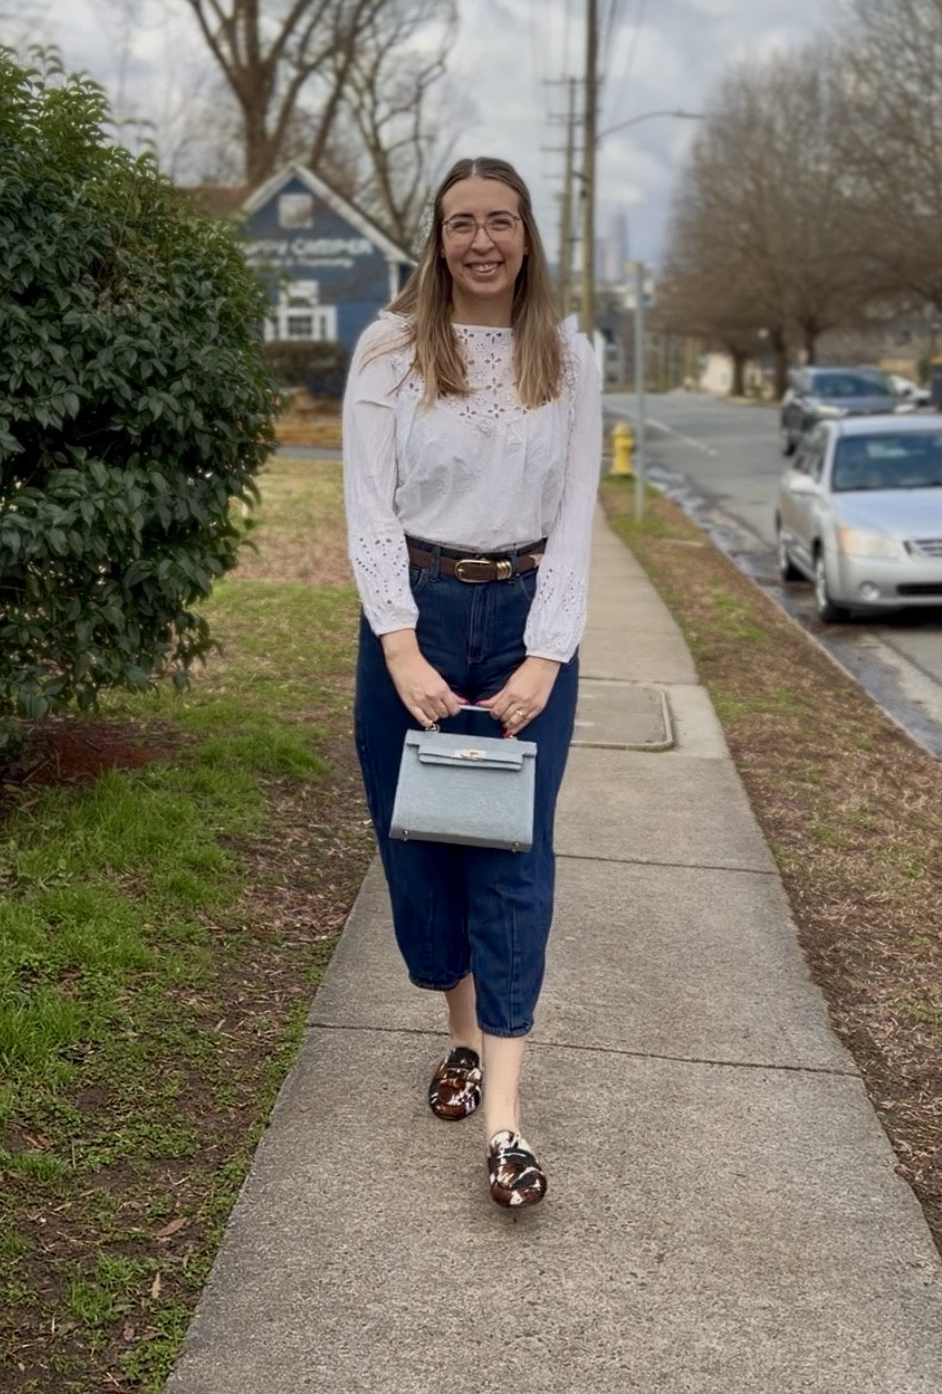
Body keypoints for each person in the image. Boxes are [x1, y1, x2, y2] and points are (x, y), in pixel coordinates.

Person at [342, 156, 601, 1208]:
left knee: (513, 857)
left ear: (527, 235)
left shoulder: (568, 354)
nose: (482, 240)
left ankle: (505, 1122)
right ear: (436, 239)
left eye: (501, 221)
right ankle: (455, 1039)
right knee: (425, 846)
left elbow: (579, 513)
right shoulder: (392, 347)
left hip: (528, 618)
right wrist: (401, 645)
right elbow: (366, 506)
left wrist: (547, 653)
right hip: (415, 607)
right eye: (462, 224)